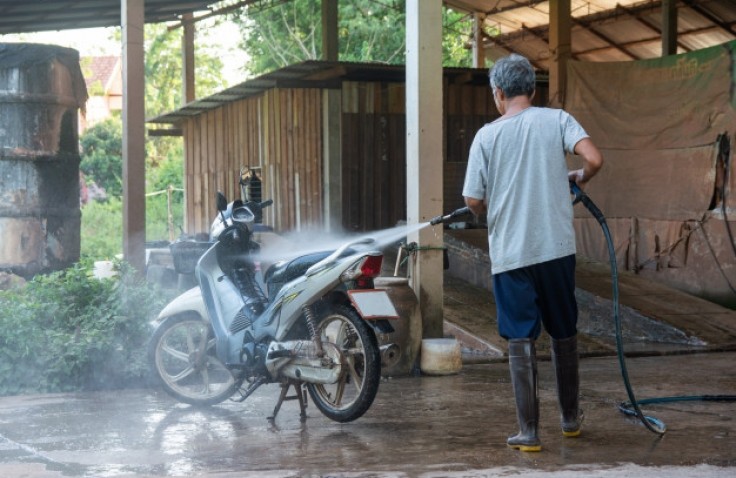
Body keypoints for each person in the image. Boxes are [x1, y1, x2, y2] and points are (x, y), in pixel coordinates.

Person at [462, 53, 603, 452]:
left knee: (520, 338)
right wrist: (578, 176)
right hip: (556, 249)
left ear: (499, 93)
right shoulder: (556, 119)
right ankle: (570, 420)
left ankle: (529, 432)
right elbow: (593, 158)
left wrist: (484, 206)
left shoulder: (487, 136)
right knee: (564, 331)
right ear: (534, 90)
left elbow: (473, 199)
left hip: (512, 254)